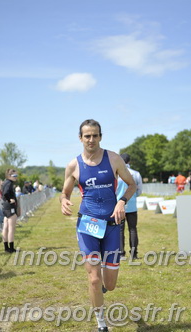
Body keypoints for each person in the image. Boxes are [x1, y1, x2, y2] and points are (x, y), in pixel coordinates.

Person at [60, 119, 136, 332]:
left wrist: (122, 201)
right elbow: (64, 193)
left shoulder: (113, 159)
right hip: (87, 226)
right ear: (80, 138)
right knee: (94, 279)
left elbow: (132, 185)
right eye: (87, 136)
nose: (91, 139)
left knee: (109, 284)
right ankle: (102, 324)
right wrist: (64, 200)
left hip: (112, 226)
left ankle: (103, 287)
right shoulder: (74, 165)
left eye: (95, 135)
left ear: (100, 136)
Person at [116, 153, 143, 260]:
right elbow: (139, 190)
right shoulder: (136, 174)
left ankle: (121, 253)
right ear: (129, 162)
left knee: (120, 230)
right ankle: (134, 253)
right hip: (132, 205)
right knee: (132, 229)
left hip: (119, 205)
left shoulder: (116, 173)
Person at [1, 169, 18, 253]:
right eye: (14, 176)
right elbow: (5, 193)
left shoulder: (4, 182)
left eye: (16, 176)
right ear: (9, 176)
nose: (16, 177)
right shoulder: (9, 183)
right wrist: (9, 200)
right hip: (9, 207)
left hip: (5, 206)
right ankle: (11, 248)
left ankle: (6, 248)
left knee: (6, 227)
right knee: (11, 228)